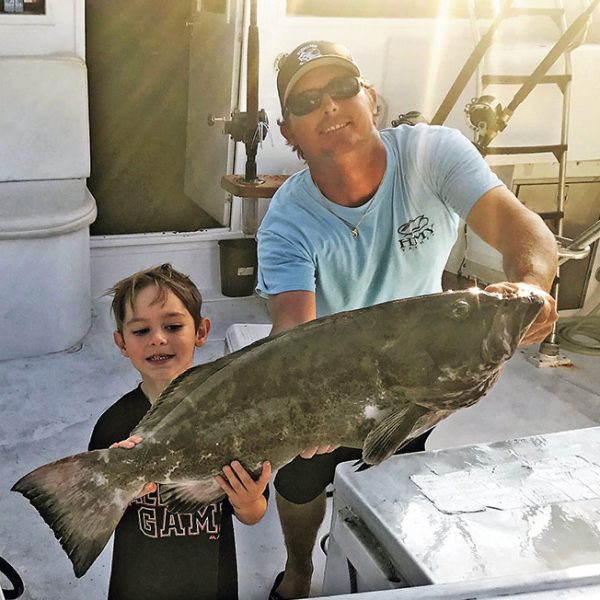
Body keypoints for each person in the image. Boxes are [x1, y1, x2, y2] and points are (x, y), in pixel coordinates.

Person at [256, 40, 558, 599]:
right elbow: (293, 334)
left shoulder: (433, 154)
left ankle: (369, 552)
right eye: (307, 101)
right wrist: (302, 410)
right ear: (287, 130)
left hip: (420, 374)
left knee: (395, 473)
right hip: (326, 376)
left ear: (370, 97)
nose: (329, 106)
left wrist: (531, 287)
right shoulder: (285, 222)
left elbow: (521, 228)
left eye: (343, 88)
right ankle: (300, 569)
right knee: (299, 479)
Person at [89, 263, 271, 600]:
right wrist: (118, 490)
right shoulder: (113, 426)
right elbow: (94, 518)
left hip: (212, 581)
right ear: (122, 343)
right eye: (141, 331)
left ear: (201, 331)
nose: (158, 338)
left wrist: (247, 500)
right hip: (137, 583)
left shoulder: (234, 418)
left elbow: (254, 511)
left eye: (173, 326)